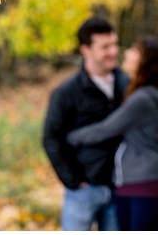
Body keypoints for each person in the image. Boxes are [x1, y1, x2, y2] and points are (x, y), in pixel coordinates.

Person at [67, 38, 158, 231]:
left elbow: (105, 130)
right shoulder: (146, 95)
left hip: (143, 190)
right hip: (135, 188)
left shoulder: (143, 99)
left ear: (147, 62)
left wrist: (70, 137)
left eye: (135, 51)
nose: (126, 53)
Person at [43, 16, 130, 231]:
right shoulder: (67, 92)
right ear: (86, 50)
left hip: (120, 189)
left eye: (115, 44)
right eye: (105, 47)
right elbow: (51, 138)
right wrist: (73, 181)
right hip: (83, 191)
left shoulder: (127, 85)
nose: (113, 52)